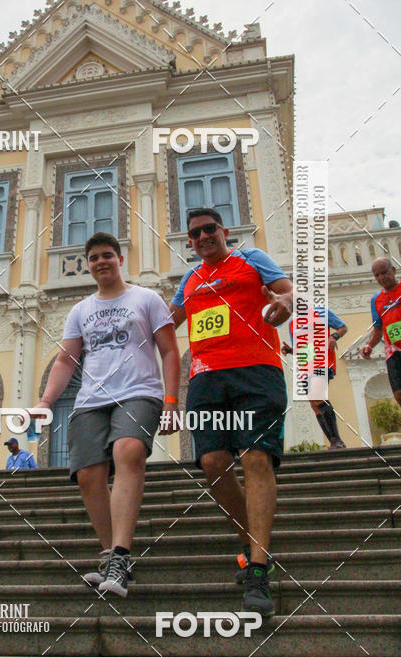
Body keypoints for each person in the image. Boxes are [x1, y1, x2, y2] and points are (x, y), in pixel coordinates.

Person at [30, 232, 180, 598]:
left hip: (140, 392)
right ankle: (111, 555)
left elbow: (170, 351)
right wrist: (46, 401)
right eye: (94, 257)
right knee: (87, 476)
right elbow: (67, 359)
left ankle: (120, 558)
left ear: (120, 259)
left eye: (108, 255)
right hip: (90, 400)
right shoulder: (80, 310)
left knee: (128, 450)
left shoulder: (146, 298)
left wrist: (172, 400)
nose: (101, 262)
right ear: (88, 264)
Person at [169, 208, 293, 616]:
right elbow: (167, 321)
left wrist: (285, 304)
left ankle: (257, 570)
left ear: (224, 231)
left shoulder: (251, 259)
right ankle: (252, 541)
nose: (203, 236)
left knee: (256, 458)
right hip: (206, 379)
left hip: (257, 371)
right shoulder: (189, 279)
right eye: (195, 233)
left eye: (209, 229)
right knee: (212, 463)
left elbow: (287, 291)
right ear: (190, 241)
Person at [282, 307, 348, 449]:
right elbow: (300, 348)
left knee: (318, 396)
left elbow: (342, 328)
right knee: (314, 405)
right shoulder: (292, 322)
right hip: (306, 365)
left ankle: (337, 440)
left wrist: (333, 337)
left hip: (322, 361)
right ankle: (333, 441)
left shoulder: (322, 312)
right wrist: (290, 350)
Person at [361, 258, 401, 406]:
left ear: (394, 270)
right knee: (398, 394)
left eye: (384, 273)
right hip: (393, 351)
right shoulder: (376, 299)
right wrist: (369, 346)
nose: (381, 277)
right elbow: (377, 329)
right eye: (377, 275)